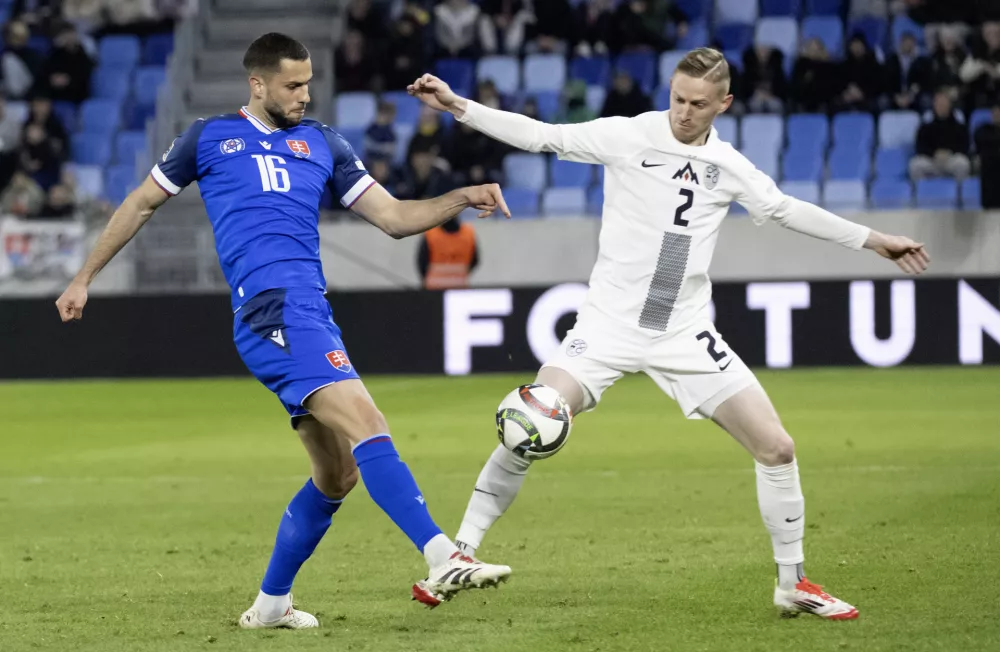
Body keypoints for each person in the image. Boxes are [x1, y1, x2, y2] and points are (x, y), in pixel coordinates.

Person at [408, 47, 931, 620]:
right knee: (532, 420)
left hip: (683, 331)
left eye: (698, 104)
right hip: (607, 325)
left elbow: (786, 209)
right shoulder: (629, 135)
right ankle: (458, 556)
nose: (684, 112)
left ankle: (793, 584)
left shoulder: (728, 165)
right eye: (678, 99)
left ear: (723, 104)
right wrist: (457, 105)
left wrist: (874, 240)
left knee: (777, 448)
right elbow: (541, 135)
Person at [54, 32, 514, 629]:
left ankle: (271, 605)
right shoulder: (207, 137)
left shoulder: (323, 142)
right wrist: (83, 277)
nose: (305, 94)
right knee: (368, 422)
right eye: (293, 85)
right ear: (258, 83)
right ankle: (442, 555)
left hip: (311, 312)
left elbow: (396, 218)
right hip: (271, 313)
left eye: (308, 83)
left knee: (337, 474)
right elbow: (141, 203)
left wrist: (461, 197)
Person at [417, 216, 479, 289]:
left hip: (434, 288)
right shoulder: (468, 233)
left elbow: (422, 262)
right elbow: (474, 260)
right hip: (459, 287)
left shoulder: (430, 234)